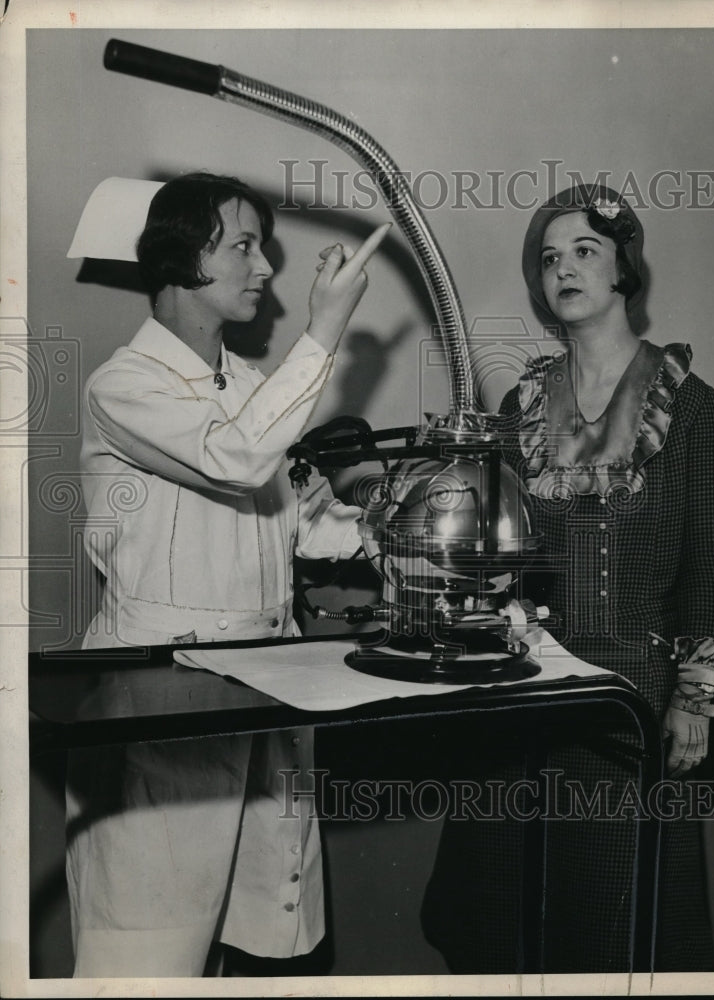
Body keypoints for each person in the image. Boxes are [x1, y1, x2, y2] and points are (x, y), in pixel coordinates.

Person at [66, 172, 389, 977]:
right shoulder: (123, 386)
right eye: (244, 246)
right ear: (183, 255)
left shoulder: (247, 388)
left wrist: (394, 533)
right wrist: (325, 329)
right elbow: (238, 458)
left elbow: (295, 518)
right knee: (143, 962)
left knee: (257, 954)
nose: (265, 269)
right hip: (161, 700)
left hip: (262, 693)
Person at [421, 183, 714, 973]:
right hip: (527, 687)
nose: (562, 268)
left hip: (630, 695)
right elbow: (497, 555)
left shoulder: (690, 404)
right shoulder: (520, 402)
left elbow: (703, 564)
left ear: (624, 268)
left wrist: (692, 698)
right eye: (549, 257)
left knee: (608, 925)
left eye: (584, 251)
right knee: (499, 914)